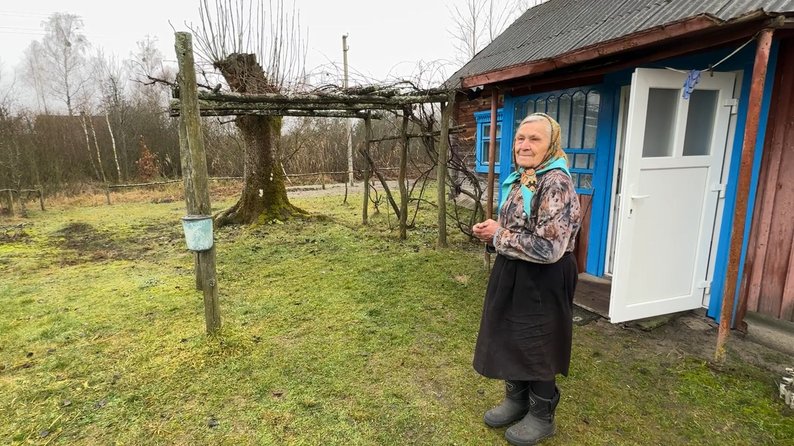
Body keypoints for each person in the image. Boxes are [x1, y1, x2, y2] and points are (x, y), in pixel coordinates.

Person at [471, 112, 581, 446]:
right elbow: (520, 226)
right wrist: (494, 230)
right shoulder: (526, 177)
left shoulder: (555, 182)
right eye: (520, 138)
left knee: (537, 343)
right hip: (515, 269)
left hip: (543, 276)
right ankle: (517, 400)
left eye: (534, 139)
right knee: (511, 335)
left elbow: (548, 248)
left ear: (551, 144)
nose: (524, 145)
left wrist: (497, 235)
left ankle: (541, 415)